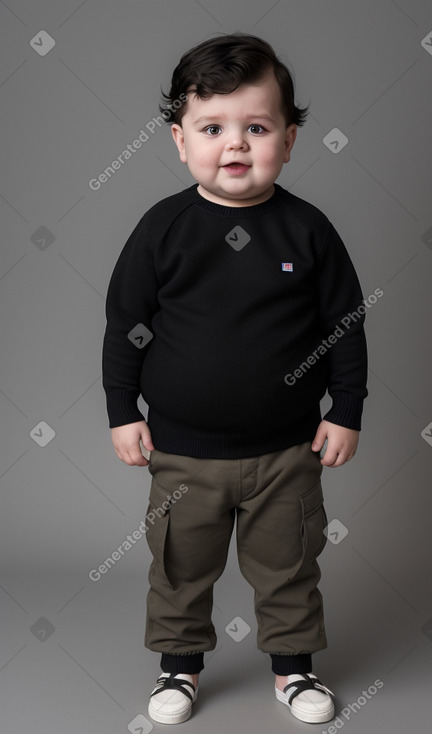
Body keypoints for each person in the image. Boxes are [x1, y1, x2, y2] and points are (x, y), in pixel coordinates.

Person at [102, 32, 368, 726]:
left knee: (288, 566)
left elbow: (345, 325)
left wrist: (345, 409)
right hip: (182, 454)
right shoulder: (163, 229)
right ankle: (178, 671)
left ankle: (293, 671)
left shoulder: (308, 231)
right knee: (179, 568)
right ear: (179, 140)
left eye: (256, 127)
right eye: (212, 128)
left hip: (286, 454)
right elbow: (124, 323)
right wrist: (121, 411)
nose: (235, 146)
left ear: (289, 136)